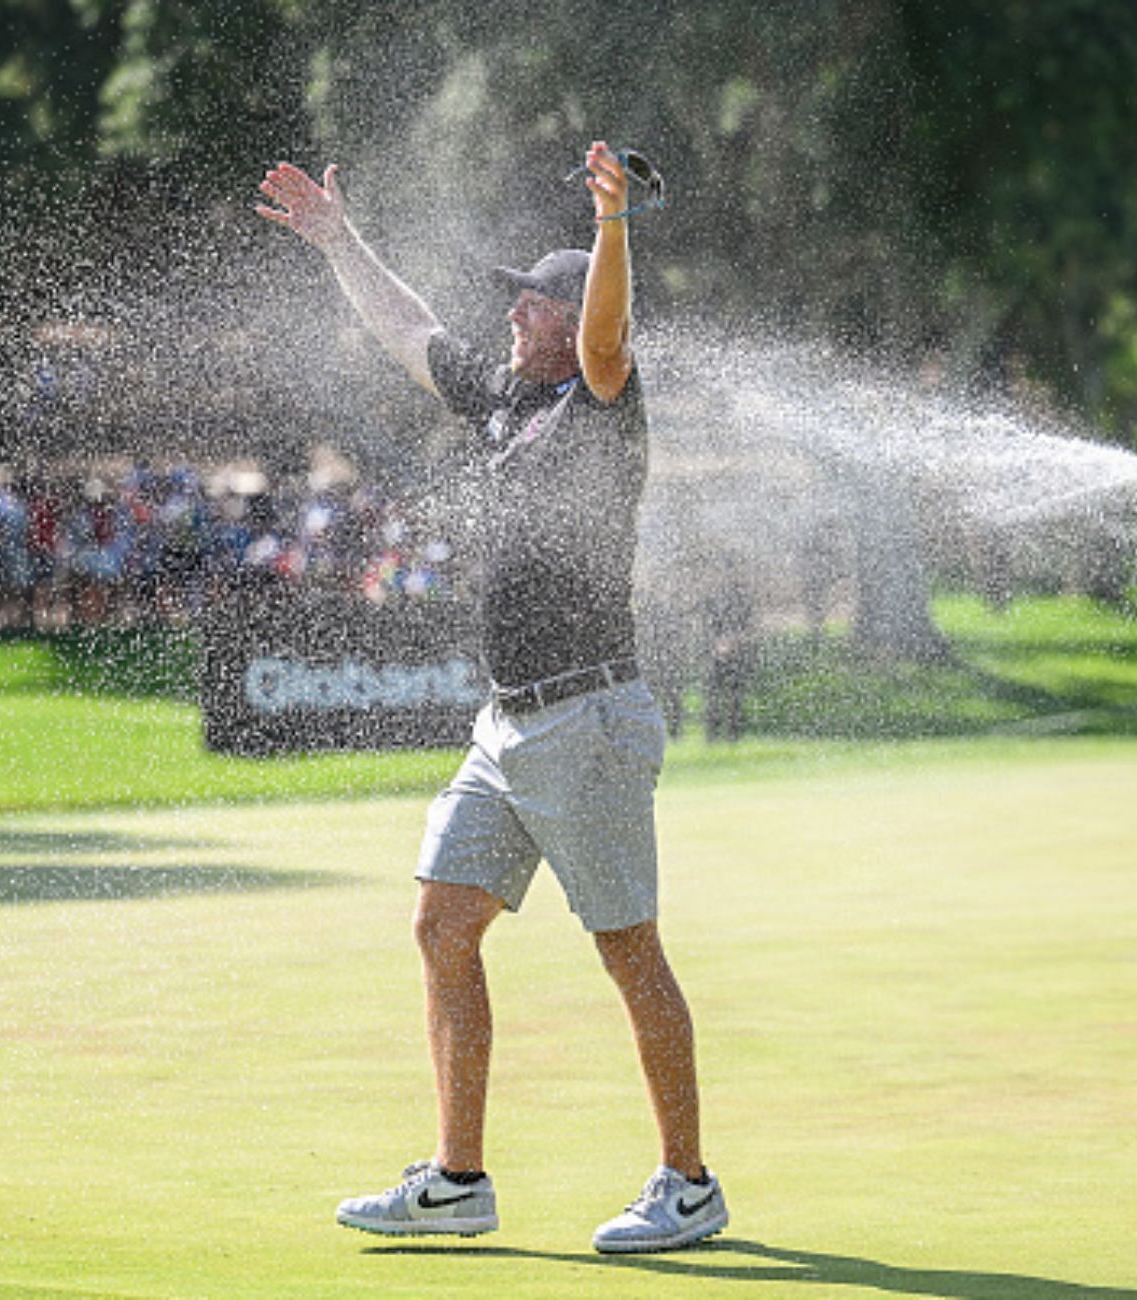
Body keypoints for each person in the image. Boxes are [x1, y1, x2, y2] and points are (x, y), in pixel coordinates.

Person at [257, 141, 728, 1252]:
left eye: (530, 304)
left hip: (590, 718)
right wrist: (338, 240)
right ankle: (459, 1178)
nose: (512, 318)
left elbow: (610, 336)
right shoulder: (504, 405)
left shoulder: (604, 399)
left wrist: (614, 224)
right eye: (514, 303)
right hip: (507, 724)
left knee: (628, 949)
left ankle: (690, 1182)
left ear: (570, 322)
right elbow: (407, 329)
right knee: (441, 923)